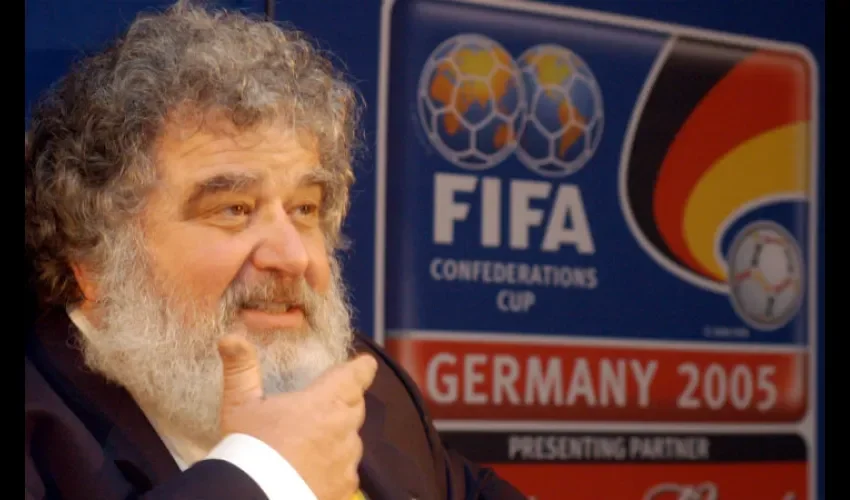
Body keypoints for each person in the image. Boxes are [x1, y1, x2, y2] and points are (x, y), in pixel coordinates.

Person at [23, 2, 526, 499]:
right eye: (234, 209)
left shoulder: (363, 384)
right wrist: (267, 476)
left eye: (305, 209)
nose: (293, 257)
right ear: (93, 258)